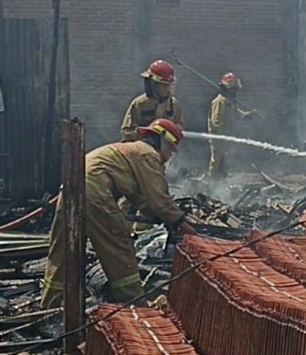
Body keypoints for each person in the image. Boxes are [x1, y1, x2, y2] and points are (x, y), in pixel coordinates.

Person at [40, 118, 197, 309]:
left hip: (70, 188)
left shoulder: (129, 151)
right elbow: (159, 197)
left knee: (64, 251)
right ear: (162, 141)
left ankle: (50, 306)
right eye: (171, 150)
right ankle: (135, 303)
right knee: (119, 247)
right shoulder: (147, 154)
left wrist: (156, 216)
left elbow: (139, 196)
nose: (170, 156)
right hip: (95, 193)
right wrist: (181, 222)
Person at [120, 60, 184, 141]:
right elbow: (127, 131)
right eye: (162, 84)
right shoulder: (140, 103)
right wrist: (145, 135)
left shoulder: (174, 105)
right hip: (141, 148)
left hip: (164, 149)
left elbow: (179, 128)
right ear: (153, 84)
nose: (166, 88)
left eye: (168, 85)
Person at [208, 72, 255, 178]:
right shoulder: (219, 101)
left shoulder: (229, 101)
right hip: (218, 136)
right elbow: (216, 121)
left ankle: (222, 176)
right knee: (217, 158)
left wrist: (247, 115)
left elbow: (235, 113)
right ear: (228, 88)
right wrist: (224, 132)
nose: (235, 91)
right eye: (233, 88)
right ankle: (212, 179)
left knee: (225, 157)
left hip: (226, 135)